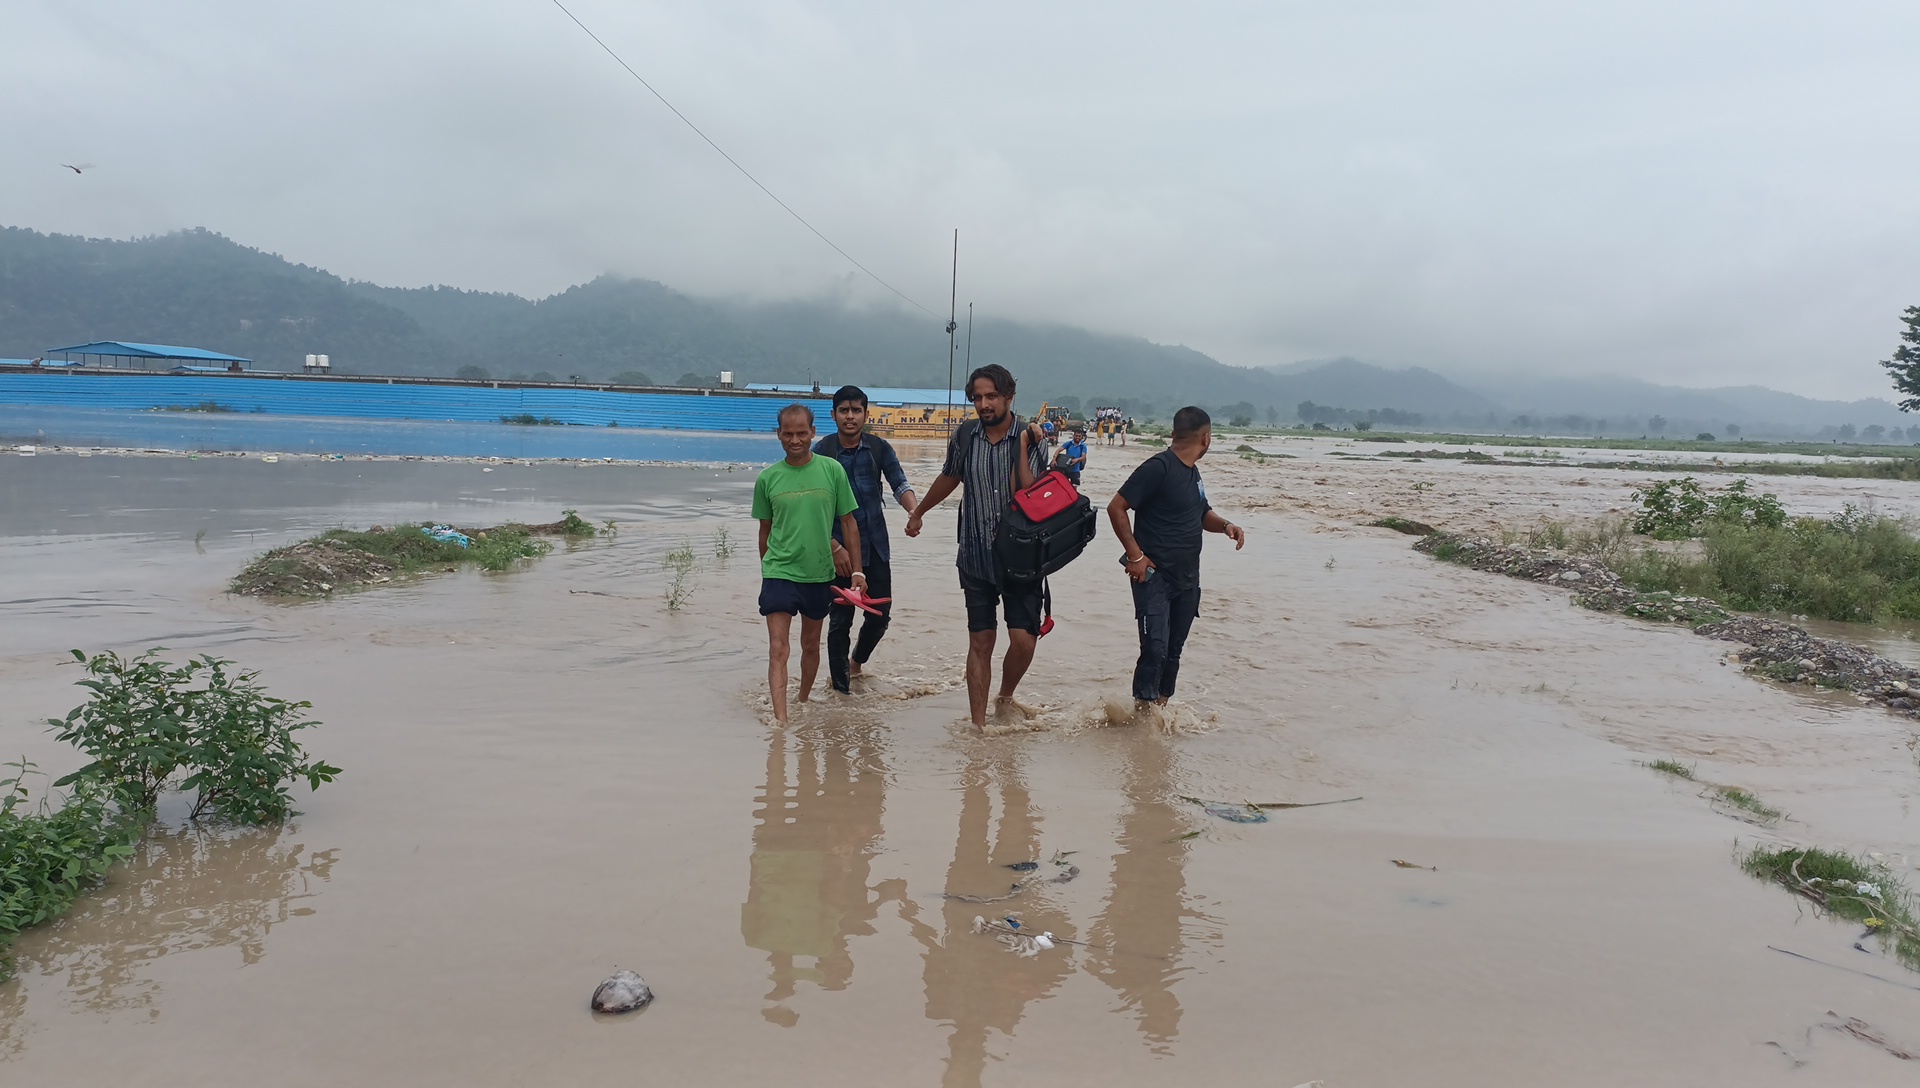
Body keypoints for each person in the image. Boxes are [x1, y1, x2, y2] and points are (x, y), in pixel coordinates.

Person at [904, 364, 1050, 729]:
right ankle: (979, 729)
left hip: (1022, 557)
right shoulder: (966, 435)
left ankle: (1006, 696)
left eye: (991, 397)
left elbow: (1027, 492)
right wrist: (919, 511)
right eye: (978, 398)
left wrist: (1021, 447)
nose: (984, 404)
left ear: (1009, 398)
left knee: (1023, 641)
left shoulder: (1032, 437)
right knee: (981, 641)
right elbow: (950, 476)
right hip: (974, 555)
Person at [1105, 406, 1245, 709]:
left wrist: (1225, 526)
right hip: (1155, 577)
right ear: (1206, 438)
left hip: (1187, 579)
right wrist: (1135, 555)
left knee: (1172, 652)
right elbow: (1116, 507)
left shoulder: (1192, 473)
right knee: (1154, 649)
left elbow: (1201, 513)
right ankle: (1141, 716)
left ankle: (1158, 715)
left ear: (1174, 432)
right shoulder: (1158, 468)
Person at [753, 404, 863, 723]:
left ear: (813, 433)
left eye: (802, 433)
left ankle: (802, 700)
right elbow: (765, 531)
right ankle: (781, 721)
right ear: (779, 435)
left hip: (818, 574)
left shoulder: (832, 471)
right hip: (779, 573)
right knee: (778, 648)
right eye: (788, 434)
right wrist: (767, 571)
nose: (795, 440)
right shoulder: (768, 478)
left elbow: (849, 522)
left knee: (810, 645)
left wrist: (856, 571)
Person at [815, 385, 918, 694]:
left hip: (875, 545)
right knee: (840, 620)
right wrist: (834, 547)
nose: (850, 416)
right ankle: (840, 691)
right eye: (844, 411)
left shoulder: (878, 448)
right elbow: (814, 506)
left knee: (880, 615)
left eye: (856, 410)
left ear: (865, 414)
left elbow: (899, 482)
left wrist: (915, 511)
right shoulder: (822, 452)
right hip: (837, 551)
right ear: (833, 415)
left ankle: (856, 663)